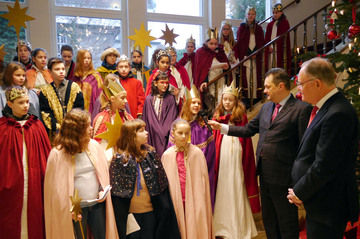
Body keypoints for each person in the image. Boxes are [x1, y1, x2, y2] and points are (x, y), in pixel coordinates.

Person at [209, 68, 312, 239]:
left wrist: (299, 182)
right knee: (270, 221)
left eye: (267, 86)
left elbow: (304, 148)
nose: (263, 90)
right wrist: (222, 128)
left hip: (286, 179)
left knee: (286, 223)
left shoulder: (301, 109)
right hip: (264, 176)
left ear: (280, 86)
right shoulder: (266, 108)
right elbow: (248, 129)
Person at [288, 58, 359, 239]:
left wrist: (299, 192)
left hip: (329, 204)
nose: (299, 89)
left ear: (317, 83)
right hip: (320, 201)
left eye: (301, 84)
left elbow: (325, 165)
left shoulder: (338, 113)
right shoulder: (326, 107)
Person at [44, 109, 118, 239]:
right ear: (77, 130)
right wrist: (68, 208)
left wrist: (102, 190)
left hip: (97, 204)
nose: (91, 129)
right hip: (77, 207)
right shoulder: (57, 153)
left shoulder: (94, 146)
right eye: (87, 126)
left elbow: (103, 175)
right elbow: (55, 190)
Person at [110, 119, 181, 239]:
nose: (147, 133)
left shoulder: (151, 154)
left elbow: (161, 186)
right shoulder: (120, 160)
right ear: (132, 136)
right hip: (131, 215)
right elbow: (117, 195)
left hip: (150, 213)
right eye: (142, 131)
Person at [0, 85, 51, 239]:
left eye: (27, 102)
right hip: (11, 183)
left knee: (34, 212)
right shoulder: (2, 128)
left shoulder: (37, 125)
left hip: (35, 180)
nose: (26, 106)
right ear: (10, 104)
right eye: (21, 102)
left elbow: (46, 155)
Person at [212, 80, 260, 239]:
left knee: (237, 184)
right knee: (223, 184)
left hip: (237, 156)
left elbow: (245, 136)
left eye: (230, 99)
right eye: (224, 99)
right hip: (223, 155)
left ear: (235, 101)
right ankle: (222, 226)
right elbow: (214, 138)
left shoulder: (242, 116)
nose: (227, 102)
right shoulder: (217, 116)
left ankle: (238, 227)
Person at [161, 119, 214, 239]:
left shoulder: (197, 153)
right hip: (176, 199)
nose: (184, 136)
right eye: (180, 133)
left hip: (195, 199)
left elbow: (203, 182)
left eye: (187, 133)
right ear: (173, 133)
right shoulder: (167, 155)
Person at [168, 85, 216, 209]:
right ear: (187, 104)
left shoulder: (203, 124)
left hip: (198, 172)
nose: (196, 105)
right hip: (182, 172)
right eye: (193, 102)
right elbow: (172, 150)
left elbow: (210, 153)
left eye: (198, 103)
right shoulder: (178, 124)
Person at [39, 57, 84, 139]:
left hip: (74, 131)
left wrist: (70, 126)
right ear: (49, 72)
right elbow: (45, 112)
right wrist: (57, 127)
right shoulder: (45, 91)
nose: (61, 72)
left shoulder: (74, 87)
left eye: (63, 69)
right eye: (57, 69)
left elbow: (79, 109)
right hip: (55, 134)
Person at [93, 75, 133, 162]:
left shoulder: (128, 118)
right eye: (122, 98)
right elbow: (100, 146)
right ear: (112, 99)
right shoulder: (101, 119)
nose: (126, 101)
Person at [234, 6, 265, 106]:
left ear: (255, 15)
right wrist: (248, 53)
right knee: (247, 76)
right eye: (249, 14)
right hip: (246, 56)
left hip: (256, 56)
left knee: (256, 75)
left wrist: (256, 52)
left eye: (252, 14)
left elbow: (261, 42)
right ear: (246, 15)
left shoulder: (258, 28)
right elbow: (240, 43)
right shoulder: (242, 27)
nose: (251, 16)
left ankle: (256, 95)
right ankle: (248, 96)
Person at [142, 72, 178, 158]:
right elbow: (146, 118)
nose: (165, 85)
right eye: (162, 83)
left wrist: (163, 131)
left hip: (165, 135)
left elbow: (172, 117)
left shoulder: (170, 98)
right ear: (155, 83)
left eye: (166, 83)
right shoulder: (149, 99)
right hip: (151, 134)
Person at [193, 28, 230, 111]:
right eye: (211, 43)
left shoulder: (220, 51)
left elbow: (227, 66)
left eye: (215, 44)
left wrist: (226, 68)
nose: (214, 46)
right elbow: (200, 70)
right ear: (206, 42)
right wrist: (204, 81)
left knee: (221, 97)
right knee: (212, 99)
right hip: (210, 79)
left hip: (220, 78)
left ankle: (221, 115)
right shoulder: (200, 52)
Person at [72, 49, 103, 117]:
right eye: (84, 58)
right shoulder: (75, 77)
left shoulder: (96, 77)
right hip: (77, 112)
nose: (87, 60)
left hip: (92, 111)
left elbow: (100, 97)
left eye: (89, 58)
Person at [265, 3, 291, 74]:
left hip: (279, 51)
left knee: (278, 69)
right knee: (271, 69)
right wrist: (268, 47)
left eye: (277, 13)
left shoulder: (285, 23)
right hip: (270, 51)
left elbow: (284, 39)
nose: (275, 15)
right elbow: (267, 39)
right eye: (273, 13)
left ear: (281, 12)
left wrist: (277, 48)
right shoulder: (270, 25)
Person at [116, 55, 145, 119]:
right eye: (121, 67)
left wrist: (139, 114)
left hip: (132, 115)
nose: (123, 69)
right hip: (117, 116)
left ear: (130, 68)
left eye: (126, 67)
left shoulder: (137, 83)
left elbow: (141, 101)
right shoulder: (114, 82)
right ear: (117, 68)